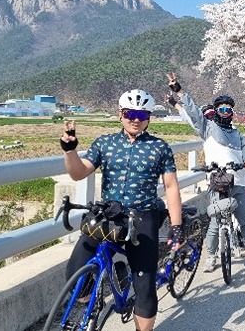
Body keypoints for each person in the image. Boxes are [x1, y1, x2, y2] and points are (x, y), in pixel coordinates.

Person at [59, 89, 183, 331]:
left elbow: (171, 187)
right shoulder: (104, 143)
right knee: (74, 274)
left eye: (141, 114)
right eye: (129, 113)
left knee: (144, 285)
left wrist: (176, 227)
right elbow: (78, 172)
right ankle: (109, 283)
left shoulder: (160, 148)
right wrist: (70, 151)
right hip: (108, 214)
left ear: (148, 117)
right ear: (120, 115)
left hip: (143, 216)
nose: (135, 119)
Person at [166, 72, 245, 271]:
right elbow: (192, 112)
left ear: (231, 112)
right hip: (218, 182)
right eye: (222, 109)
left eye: (228, 109)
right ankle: (211, 256)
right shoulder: (207, 127)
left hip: (238, 182)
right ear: (216, 111)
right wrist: (179, 91)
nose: (225, 112)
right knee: (215, 223)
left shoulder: (238, 134)